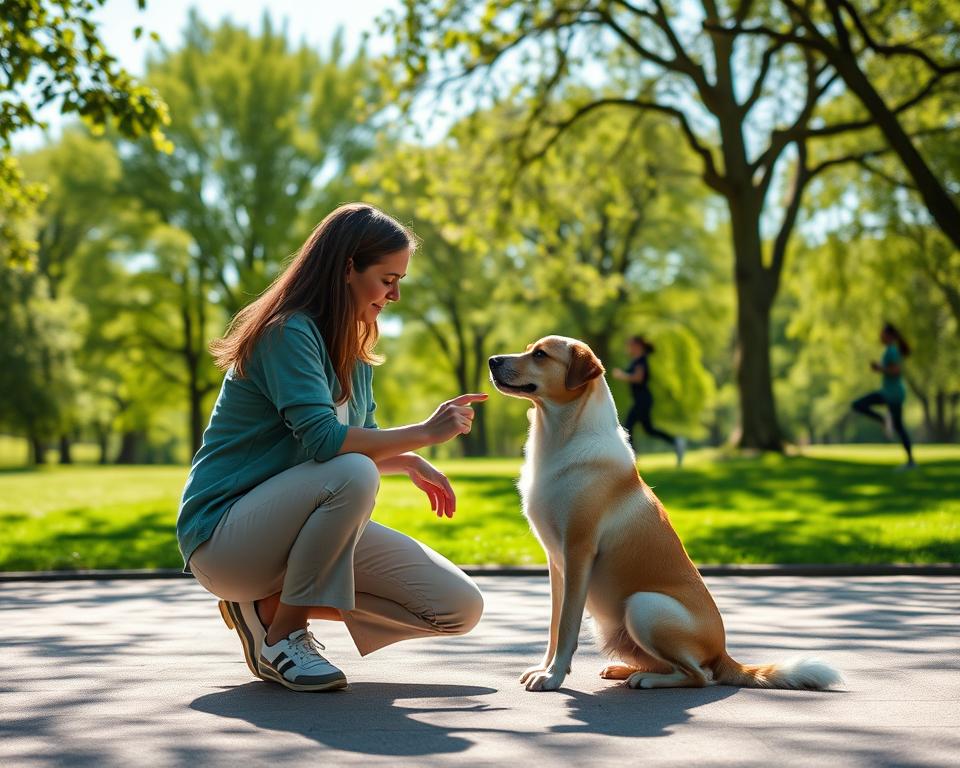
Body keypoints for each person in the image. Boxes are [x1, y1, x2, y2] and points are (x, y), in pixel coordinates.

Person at [177, 203, 487, 693]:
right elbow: (326, 443)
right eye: (388, 279)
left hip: (293, 531)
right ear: (348, 268)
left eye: (399, 280)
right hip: (226, 538)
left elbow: (356, 442)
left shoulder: (354, 347)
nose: (396, 294)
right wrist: (425, 432)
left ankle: (265, 606)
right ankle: (282, 637)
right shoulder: (288, 332)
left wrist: (406, 458)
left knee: (458, 607)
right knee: (355, 476)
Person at [611, 335, 685, 466]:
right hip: (642, 400)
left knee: (628, 426)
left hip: (643, 400)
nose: (628, 348)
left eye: (631, 345)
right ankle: (675, 441)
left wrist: (622, 375)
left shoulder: (641, 361)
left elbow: (638, 378)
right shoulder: (637, 360)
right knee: (648, 429)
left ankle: (631, 457)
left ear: (638, 346)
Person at [851, 322, 915, 470]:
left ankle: (883, 419)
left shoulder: (891, 350)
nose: (880, 337)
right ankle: (911, 461)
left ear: (889, 336)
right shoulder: (891, 350)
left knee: (858, 405)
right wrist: (880, 368)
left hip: (891, 393)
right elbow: (892, 369)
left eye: (882, 334)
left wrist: (879, 368)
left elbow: (895, 371)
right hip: (894, 392)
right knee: (899, 427)